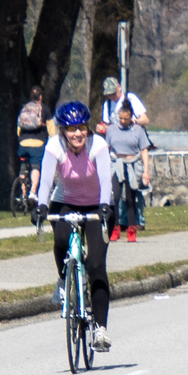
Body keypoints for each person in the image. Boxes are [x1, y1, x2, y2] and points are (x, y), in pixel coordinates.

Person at [35, 101, 119, 349]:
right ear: (62, 130)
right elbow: (47, 181)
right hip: (66, 202)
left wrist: (105, 204)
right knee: (61, 241)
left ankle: (101, 330)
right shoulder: (54, 146)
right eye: (72, 129)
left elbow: (105, 178)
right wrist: (40, 206)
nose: (78, 133)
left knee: (95, 265)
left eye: (82, 127)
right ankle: (64, 279)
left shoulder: (98, 144)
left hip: (98, 205)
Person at [105, 98, 153, 242]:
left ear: (131, 117)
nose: (123, 121)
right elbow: (106, 149)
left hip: (132, 164)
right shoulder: (112, 129)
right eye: (120, 118)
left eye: (125, 119)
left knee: (131, 199)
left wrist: (146, 171)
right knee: (115, 197)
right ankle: (115, 227)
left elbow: (144, 150)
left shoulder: (137, 130)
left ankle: (131, 229)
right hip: (116, 164)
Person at [13, 85, 49, 202]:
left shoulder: (24, 108)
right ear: (41, 96)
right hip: (37, 143)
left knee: (23, 167)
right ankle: (33, 192)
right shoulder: (44, 109)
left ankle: (23, 194)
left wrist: (21, 139)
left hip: (23, 143)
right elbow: (52, 129)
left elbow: (18, 129)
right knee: (35, 166)